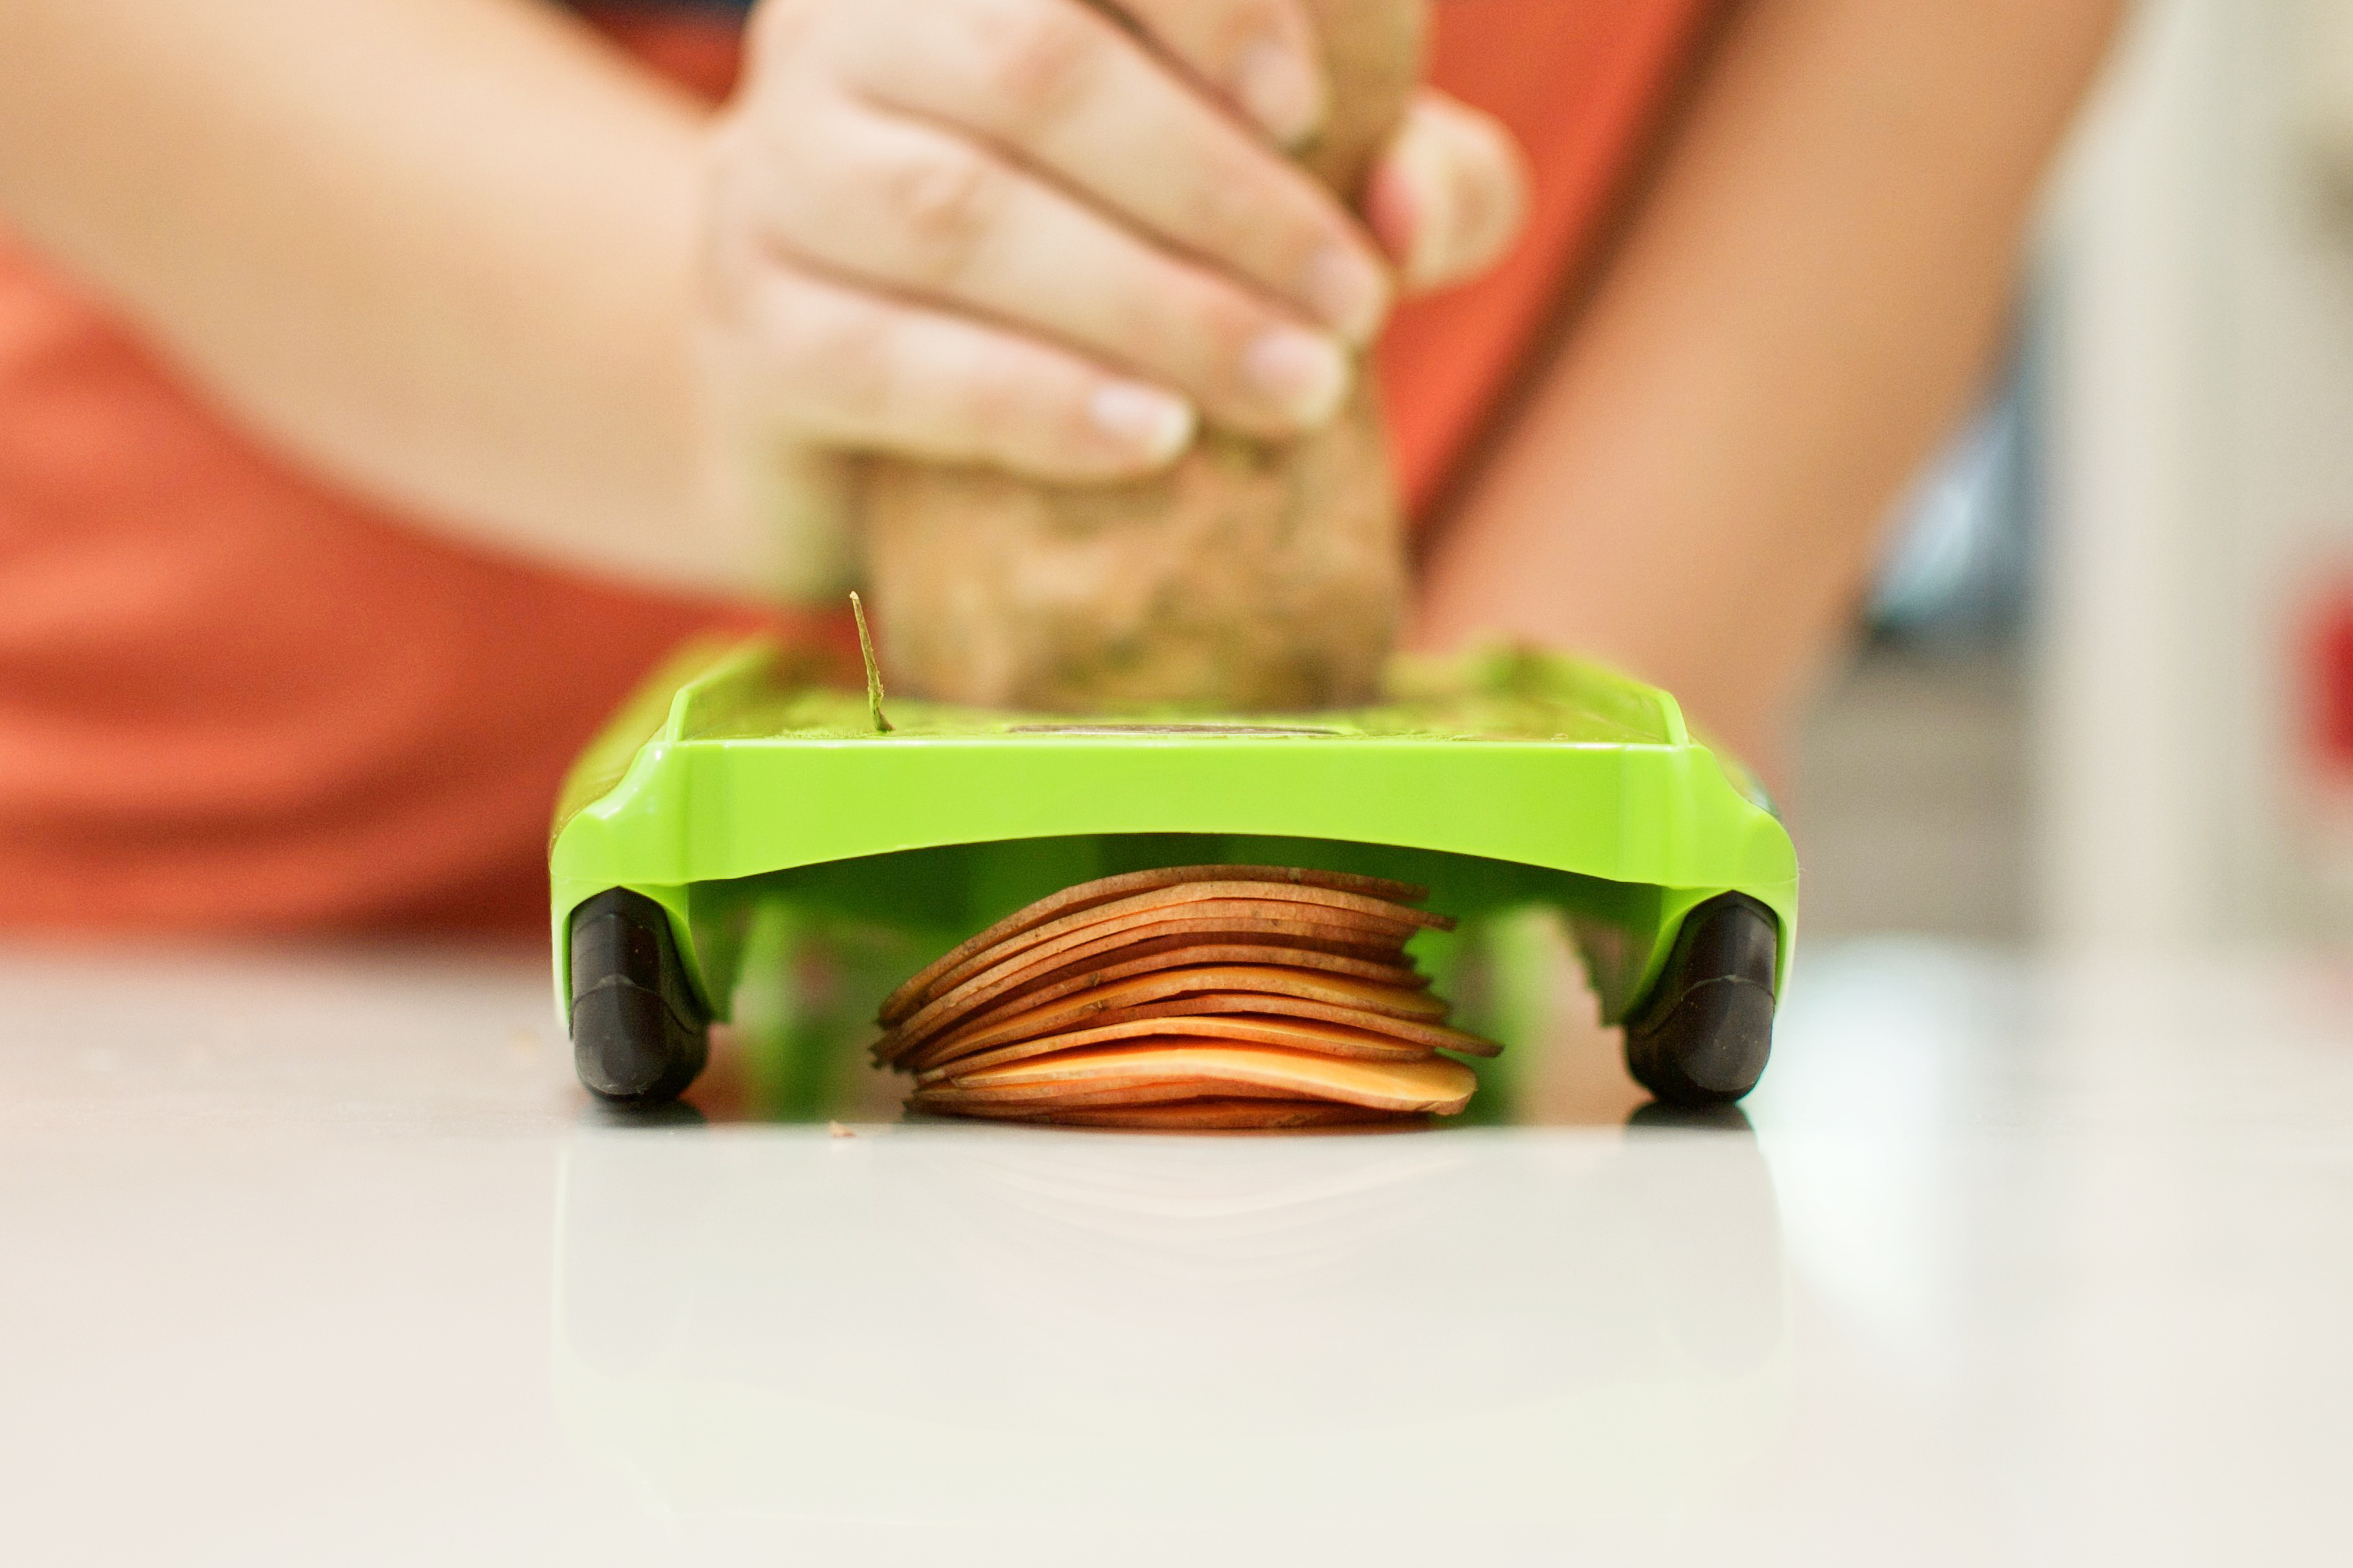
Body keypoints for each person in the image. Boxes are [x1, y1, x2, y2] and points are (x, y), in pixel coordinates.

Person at [0, 0, 2121, 936]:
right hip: (175, 946)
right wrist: (766, 344)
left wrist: (1419, 999)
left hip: (1248, 1009)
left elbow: (1544, 877)